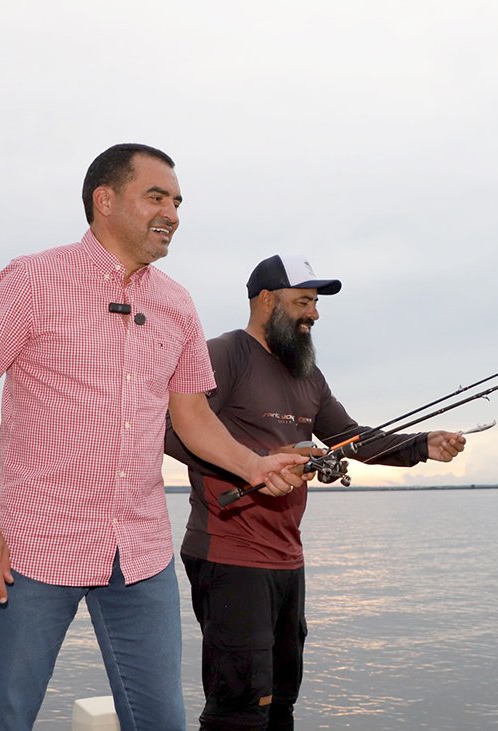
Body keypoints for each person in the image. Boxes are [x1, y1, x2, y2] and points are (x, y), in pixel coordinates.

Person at [0, 144, 306, 731]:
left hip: (141, 552)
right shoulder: (33, 278)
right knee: (2, 717)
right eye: (156, 196)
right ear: (104, 200)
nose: (173, 212)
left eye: (178, 201)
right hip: (34, 546)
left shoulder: (177, 303)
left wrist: (255, 465)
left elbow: (192, 419)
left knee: (161, 719)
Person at [165, 254, 468, 729]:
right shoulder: (222, 354)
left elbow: (350, 437)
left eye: (316, 303)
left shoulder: (306, 372)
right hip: (229, 554)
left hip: (288, 558)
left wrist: (421, 445)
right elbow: (173, 431)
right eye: (303, 301)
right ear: (267, 300)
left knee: (282, 698)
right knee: (240, 707)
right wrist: (255, 466)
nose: (314, 313)